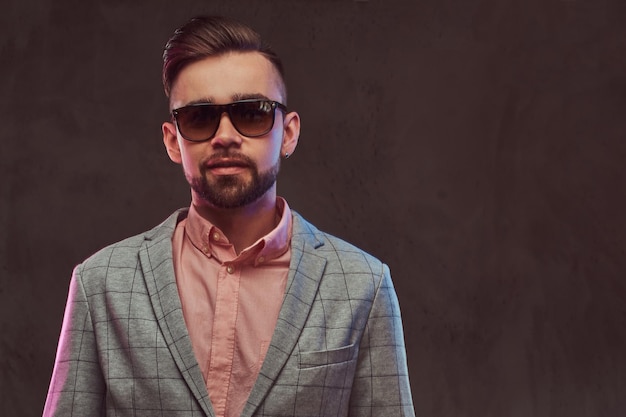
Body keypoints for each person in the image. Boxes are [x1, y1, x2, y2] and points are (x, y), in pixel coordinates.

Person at [43, 15, 415, 417]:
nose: (225, 135)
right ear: (173, 140)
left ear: (287, 133)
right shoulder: (101, 283)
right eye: (200, 117)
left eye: (251, 112)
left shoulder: (364, 285)